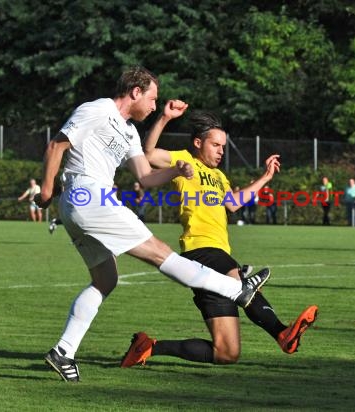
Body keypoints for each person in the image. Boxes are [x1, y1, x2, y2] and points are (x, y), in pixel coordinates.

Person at [37, 66, 270, 382]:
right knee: (162, 253)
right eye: (152, 98)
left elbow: (145, 177)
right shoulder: (98, 109)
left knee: (105, 280)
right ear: (135, 92)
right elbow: (57, 145)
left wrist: (176, 171)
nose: (153, 105)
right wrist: (47, 189)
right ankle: (237, 289)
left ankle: (63, 351)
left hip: (81, 206)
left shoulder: (130, 131)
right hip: (87, 194)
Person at [119, 106, 317, 368]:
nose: (221, 151)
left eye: (223, 146)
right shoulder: (183, 160)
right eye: (216, 145)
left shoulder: (219, 176)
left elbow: (233, 204)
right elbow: (148, 154)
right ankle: (282, 333)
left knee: (226, 353)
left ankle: (148, 347)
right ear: (198, 143)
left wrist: (265, 178)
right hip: (201, 249)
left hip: (217, 254)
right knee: (237, 280)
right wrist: (165, 118)